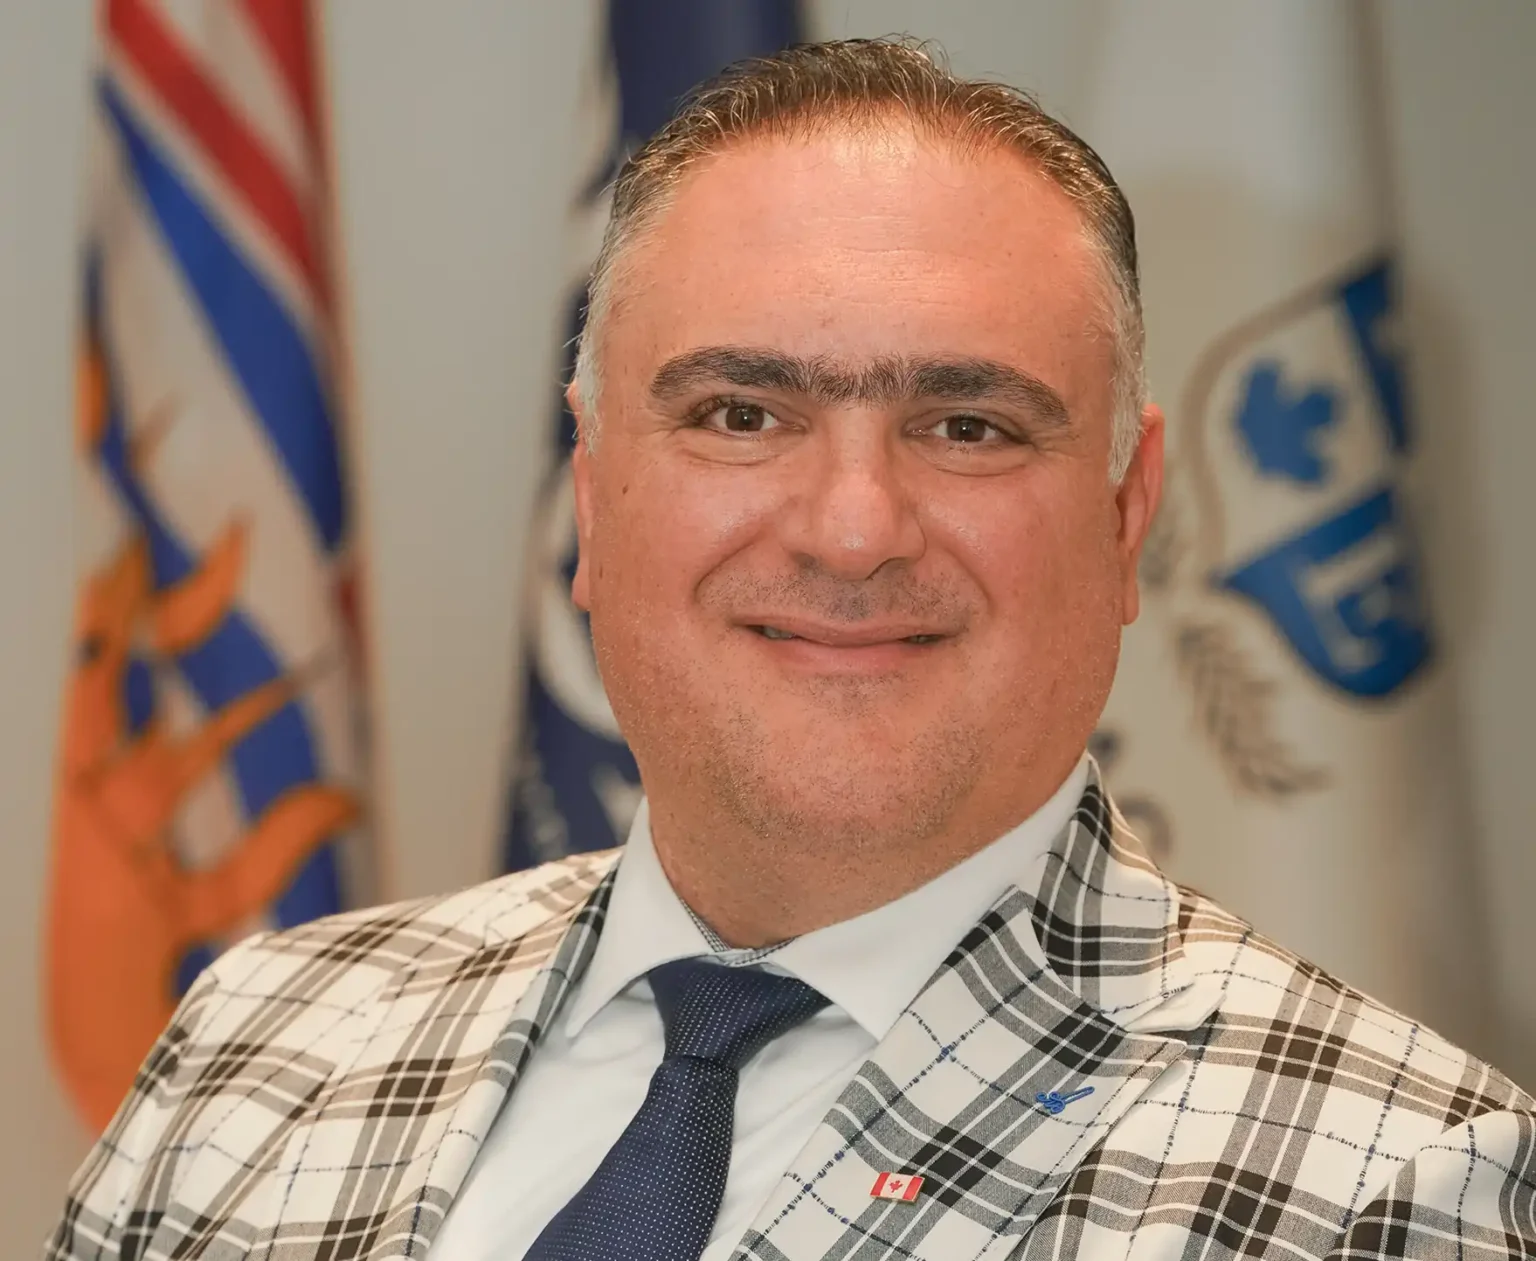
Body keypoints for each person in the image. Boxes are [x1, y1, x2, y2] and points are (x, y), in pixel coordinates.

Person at [47, 38, 1534, 1261]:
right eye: (741, 415)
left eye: (968, 426)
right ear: (591, 493)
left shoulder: (1393, 1190)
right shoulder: (252, 1052)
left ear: (1125, 508)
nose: (852, 529)